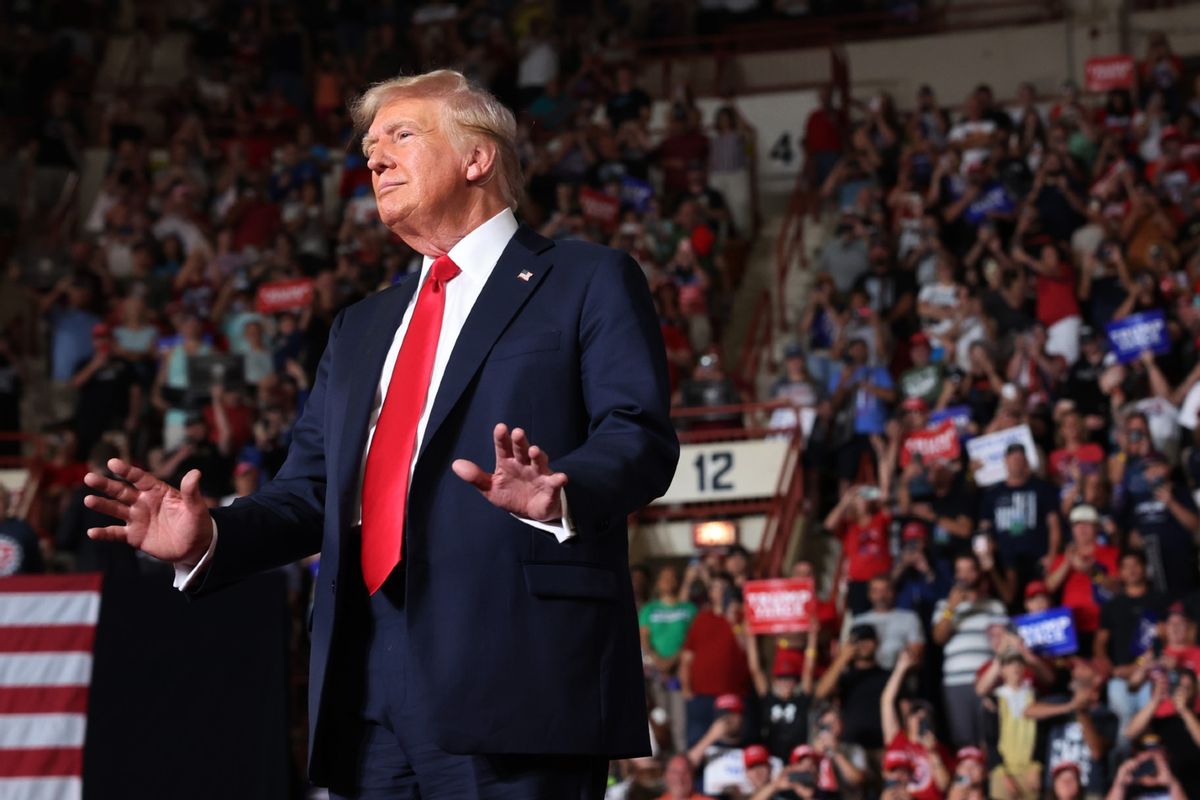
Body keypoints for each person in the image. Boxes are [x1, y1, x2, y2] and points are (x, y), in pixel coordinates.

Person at [82, 70, 679, 799]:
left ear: (477, 157)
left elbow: (638, 435)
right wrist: (211, 540)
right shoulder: (361, 325)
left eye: (401, 136)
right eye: (369, 147)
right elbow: (309, 494)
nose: (376, 160)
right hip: (364, 684)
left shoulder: (587, 279)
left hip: (514, 666)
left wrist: (560, 491)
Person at [931, 554, 1008, 748]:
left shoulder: (994, 606)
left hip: (988, 680)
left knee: (990, 739)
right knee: (963, 742)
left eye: (969, 570)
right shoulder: (944, 606)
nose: (964, 576)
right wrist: (951, 608)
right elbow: (939, 637)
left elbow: (1005, 644)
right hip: (956, 682)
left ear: (979, 572)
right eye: (960, 570)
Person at [880, 649, 952, 800]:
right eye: (915, 713)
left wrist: (933, 754)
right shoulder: (898, 739)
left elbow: (944, 786)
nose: (920, 718)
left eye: (925, 715)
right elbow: (887, 702)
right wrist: (901, 668)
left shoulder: (938, 749)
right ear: (907, 720)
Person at [814, 622, 888, 750]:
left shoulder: (888, 675)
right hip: (850, 747)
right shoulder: (844, 677)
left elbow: (904, 708)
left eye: (867, 639)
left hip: (883, 746)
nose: (863, 645)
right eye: (857, 642)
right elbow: (820, 693)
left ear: (876, 642)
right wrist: (842, 657)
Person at [845, 575, 924, 670]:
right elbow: (848, 652)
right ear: (869, 594)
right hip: (864, 676)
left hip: (898, 673)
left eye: (886, 590)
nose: (881, 596)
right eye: (876, 591)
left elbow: (916, 654)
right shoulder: (859, 621)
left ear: (894, 592)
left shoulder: (910, 618)